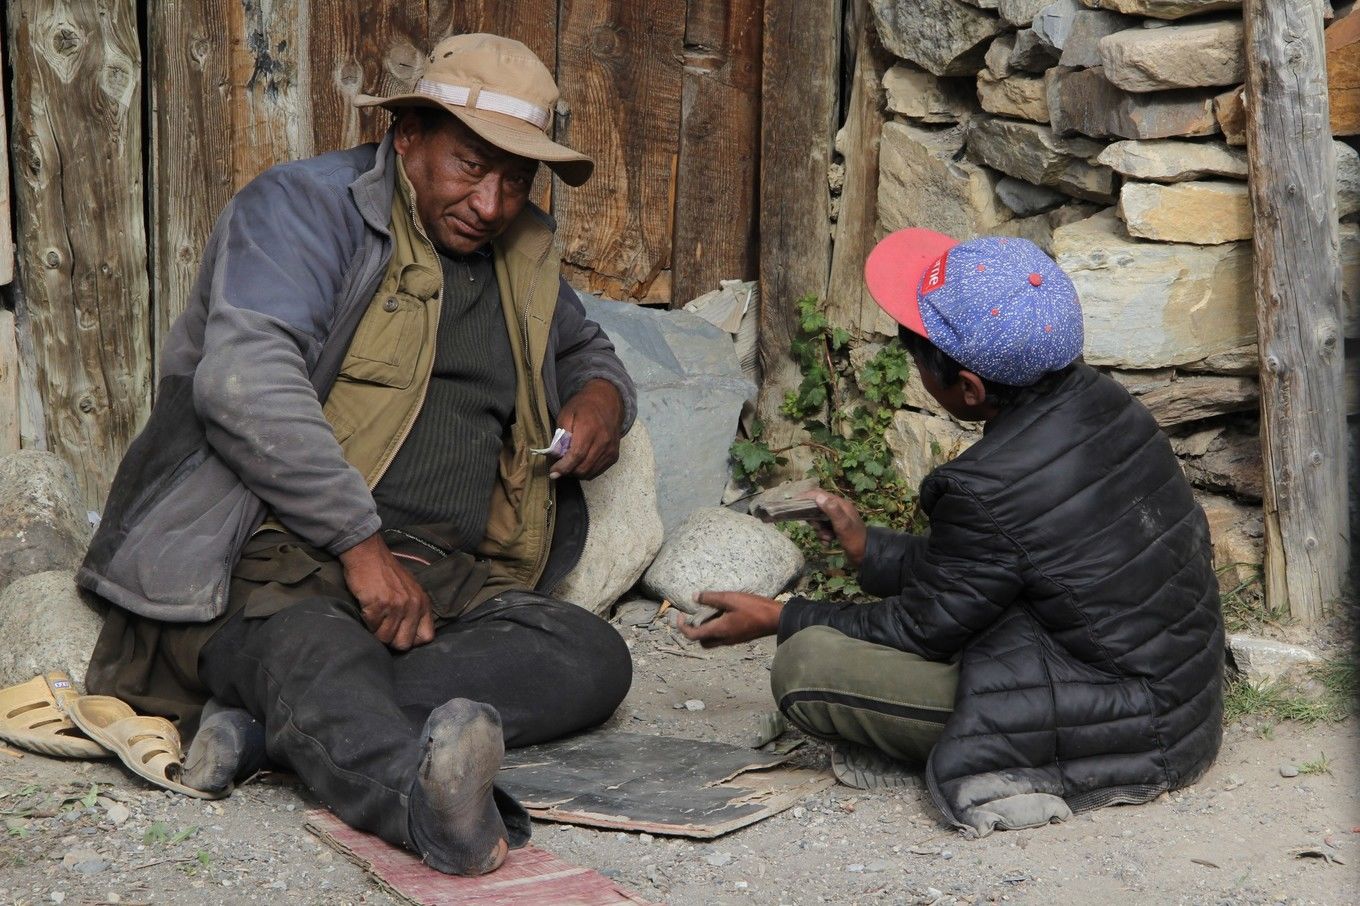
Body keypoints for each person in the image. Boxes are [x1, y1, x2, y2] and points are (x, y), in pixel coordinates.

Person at [76, 34, 636, 875]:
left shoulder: (516, 254)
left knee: (590, 656)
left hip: (442, 576)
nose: (491, 202)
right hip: (273, 563)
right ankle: (427, 806)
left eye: (516, 180)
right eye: (470, 166)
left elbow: (588, 349)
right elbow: (243, 380)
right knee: (315, 650)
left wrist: (602, 401)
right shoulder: (305, 208)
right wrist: (359, 546)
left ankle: (270, 729)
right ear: (406, 133)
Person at [682, 228, 1224, 837]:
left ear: (968, 388)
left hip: (1122, 721)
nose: (914, 369)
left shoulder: (985, 486)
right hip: (1179, 693)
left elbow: (922, 628)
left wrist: (780, 617)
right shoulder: (1106, 402)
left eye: (918, 360)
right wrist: (869, 549)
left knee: (804, 667)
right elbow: (991, 566)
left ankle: (951, 756)